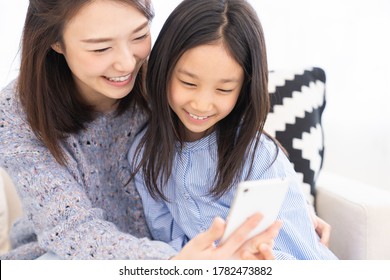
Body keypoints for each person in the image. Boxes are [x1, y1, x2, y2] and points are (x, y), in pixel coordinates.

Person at [0, 0, 283, 260]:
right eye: (100, 48)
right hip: (69, 257)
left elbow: (238, 138)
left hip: (177, 250)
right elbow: (71, 230)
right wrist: (172, 263)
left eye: (138, 36)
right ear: (55, 41)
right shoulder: (16, 112)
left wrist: (291, 208)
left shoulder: (166, 84)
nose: (126, 63)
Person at [128, 0, 337, 260]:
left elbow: (305, 255)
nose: (201, 104)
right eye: (188, 83)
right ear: (163, 69)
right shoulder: (144, 154)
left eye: (224, 89)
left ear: (244, 88)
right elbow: (169, 244)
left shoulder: (259, 156)